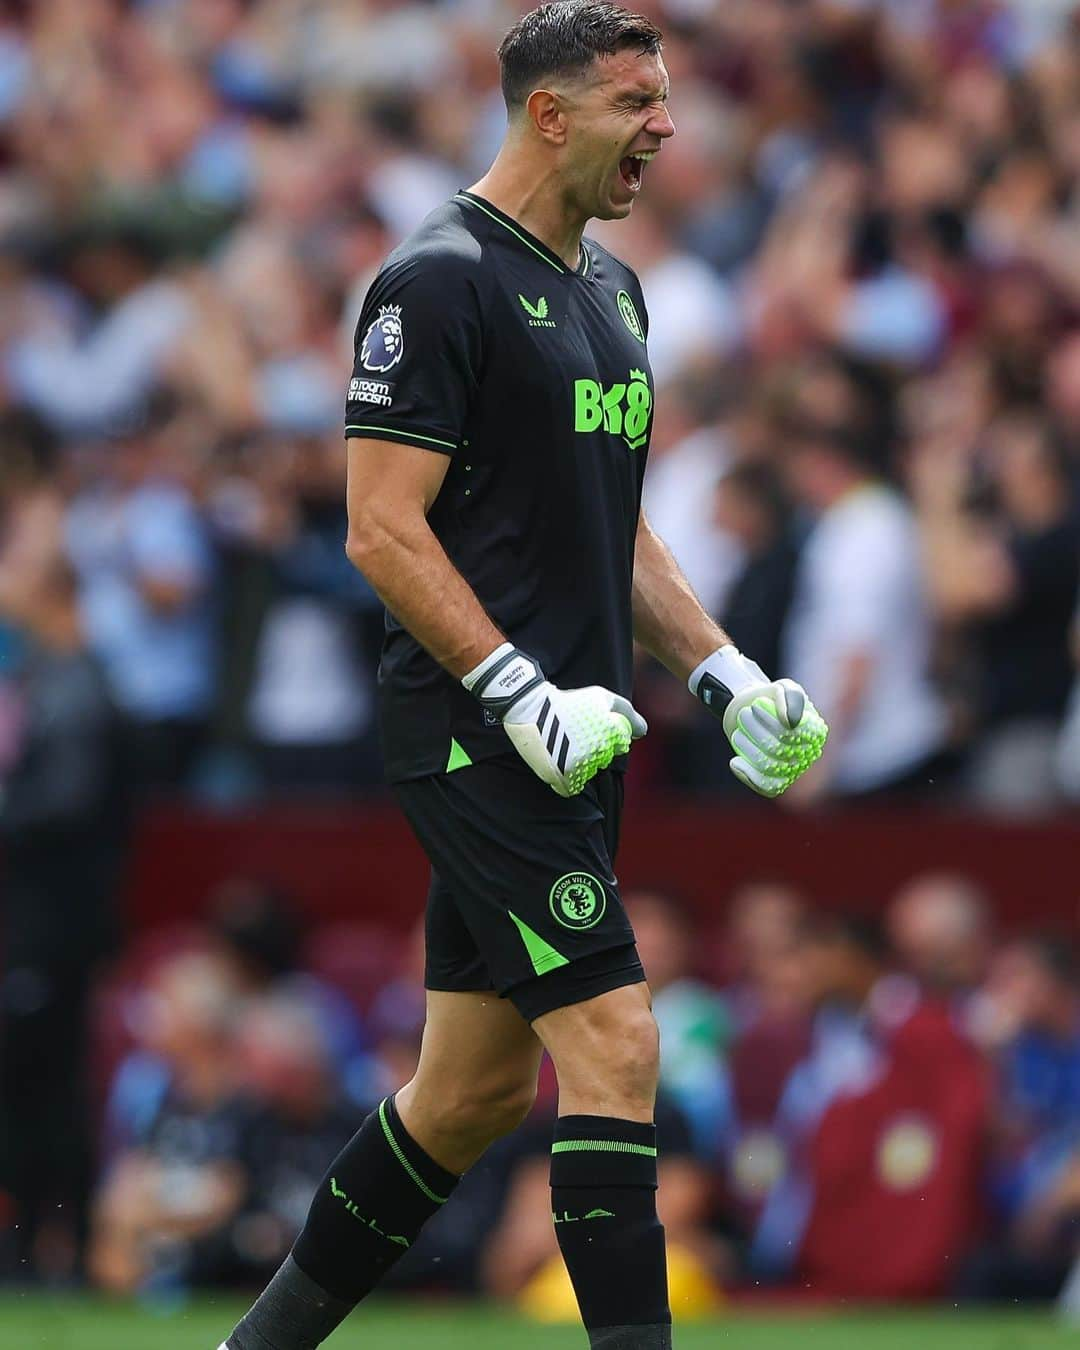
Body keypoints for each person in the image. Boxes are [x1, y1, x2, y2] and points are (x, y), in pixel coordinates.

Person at [219, 6, 826, 1349]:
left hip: (577, 733)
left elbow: (613, 530)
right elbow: (379, 526)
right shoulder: (435, 281)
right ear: (551, 114)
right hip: (480, 731)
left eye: (666, 101)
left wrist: (723, 672)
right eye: (638, 102)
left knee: (468, 1094)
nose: (667, 127)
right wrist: (515, 689)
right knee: (616, 1044)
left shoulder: (615, 291)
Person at [0, 529, 125, 1282]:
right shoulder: (53, 675)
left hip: (54, 927)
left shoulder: (73, 683)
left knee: (38, 1088)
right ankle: (46, 1243)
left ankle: (48, 1249)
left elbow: (66, 804)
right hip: (50, 923)